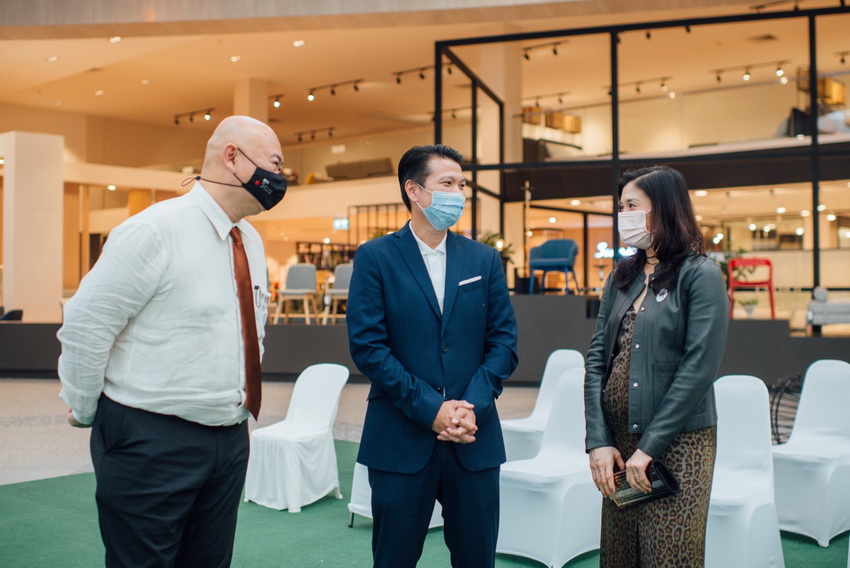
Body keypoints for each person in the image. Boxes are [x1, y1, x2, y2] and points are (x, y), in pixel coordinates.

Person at [57, 115, 287, 568]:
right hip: (151, 439)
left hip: (229, 438)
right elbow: (87, 323)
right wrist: (84, 408)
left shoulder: (250, 241)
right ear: (232, 157)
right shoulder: (154, 230)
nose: (280, 178)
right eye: (275, 164)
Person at [347, 144, 518, 568]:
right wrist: (432, 409)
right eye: (447, 183)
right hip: (400, 438)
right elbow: (369, 348)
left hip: (473, 437)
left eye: (461, 185)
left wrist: (469, 408)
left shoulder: (483, 258)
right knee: (394, 558)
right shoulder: (376, 257)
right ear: (414, 190)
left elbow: (504, 344)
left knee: (477, 558)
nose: (458, 193)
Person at [584, 166, 729, 567]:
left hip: (678, 446)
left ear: (663, 208)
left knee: (668, 555)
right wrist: (598, 440)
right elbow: (596, 360)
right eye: (621, 207)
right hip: (619, 448)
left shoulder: (700, 275)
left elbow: (699, 368)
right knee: (619, 555)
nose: (623, 215)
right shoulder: (621, 277)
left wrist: (649, 447)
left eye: (632, 205)